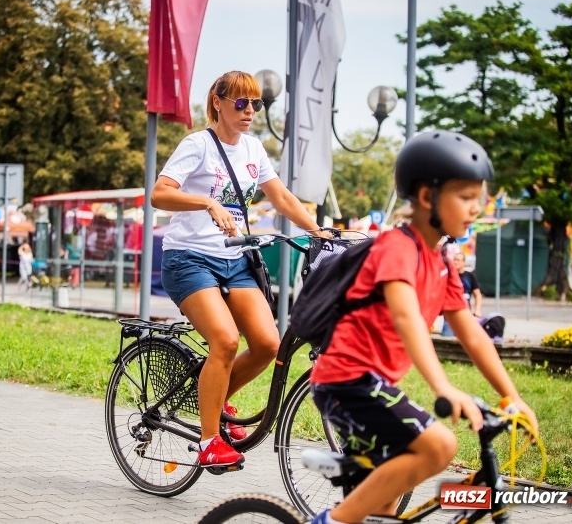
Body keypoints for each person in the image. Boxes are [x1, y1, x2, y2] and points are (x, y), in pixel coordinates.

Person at [309, 131, 539, 524]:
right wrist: (443, 387)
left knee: (384, 509)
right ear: (428, 197)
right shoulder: (398, 247)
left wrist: (511, 397)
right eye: (466, 198)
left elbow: (471, 332)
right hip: (347, 382)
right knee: (438, 445)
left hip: (373, 384)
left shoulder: (443, 263)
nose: (476, 209)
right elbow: (406, 317)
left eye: (479, 198)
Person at [150, 70, 329, 468]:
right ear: (218, 102)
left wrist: (318, 232)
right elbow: (159, 194)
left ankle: (214, 398)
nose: (249, 111)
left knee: (268, 344)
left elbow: (280, 196)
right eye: (241, 103)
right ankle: (208, 439)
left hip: (235, 259)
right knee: (226, 342)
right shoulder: (198, 145)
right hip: (188, 258)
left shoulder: (252, 148)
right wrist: (208, 203)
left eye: (256, 104)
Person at [441, 252, 482, 337]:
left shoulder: (470, 276)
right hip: (449, 318)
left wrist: (477, 310)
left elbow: (477, 295)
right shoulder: (447, 275)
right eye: (454, 260)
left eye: (458, 260)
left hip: (466, 316)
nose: (456, 262)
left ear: (464, 262)